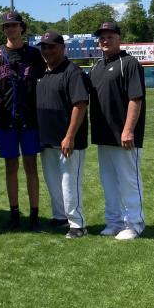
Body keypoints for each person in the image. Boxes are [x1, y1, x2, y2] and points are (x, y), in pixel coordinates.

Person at [0, 11, 47, 231]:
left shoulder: (34, 54)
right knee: (10, 167)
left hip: (29, 119)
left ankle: (34, 215)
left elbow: (45, 80)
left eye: (14, 25)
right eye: (7, 27)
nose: (11, 29)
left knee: (31, 167)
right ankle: (14, 213)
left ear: (22, 28)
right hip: (5, 119)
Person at [88, 21, 147, 240]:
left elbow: (135, 98)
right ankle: (113, 222)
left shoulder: (129, 63)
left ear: (119, 38)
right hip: (103, 135)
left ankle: (134, 223)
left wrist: (128, 130)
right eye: (101, 37)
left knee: (129, 180)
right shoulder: (96, 66)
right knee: (108, 181)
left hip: (124, 135)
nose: (105, 40)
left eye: (109, 36)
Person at [35, 31, 90, 239]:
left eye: (52, 47)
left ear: (62, 48)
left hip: (67, 139)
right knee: (52, 181)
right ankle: (60, 217)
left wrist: (70, 136)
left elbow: (80, 104)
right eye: (44, 47)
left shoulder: (72, 72)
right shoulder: (43, 72)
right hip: (47, 138)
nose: (47, 51)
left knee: (69, 182)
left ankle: (77, 223)